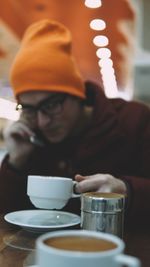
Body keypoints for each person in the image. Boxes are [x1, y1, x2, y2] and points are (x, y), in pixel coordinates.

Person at [1, 19, 150, 229]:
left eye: (51, 105)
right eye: (30, 108)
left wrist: (127, 191)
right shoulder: (30, 140)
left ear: (77, 95)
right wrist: (16, 162)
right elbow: (10, 215)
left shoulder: (135, 120)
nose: (42, 122)